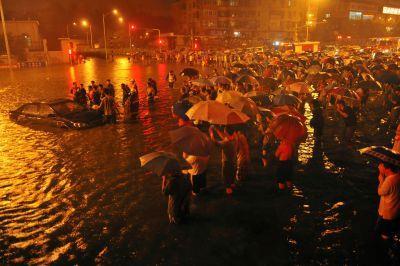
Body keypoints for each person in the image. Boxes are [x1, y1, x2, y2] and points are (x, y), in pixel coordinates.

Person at [375, 161, 400, 242]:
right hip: (395, 210)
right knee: (391, 228)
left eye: (382, 167)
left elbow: (380, 192)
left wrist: (381, 180)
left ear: (387, 169)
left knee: (384, 234)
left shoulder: (389, 181)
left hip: (387, 213)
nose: (379, 168)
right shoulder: (397, 175)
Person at [209, 125, 237, 195]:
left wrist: (211, 133)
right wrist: (216, 129)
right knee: (232, 172)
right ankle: (232, 184)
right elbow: (224, 137)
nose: (224, 132)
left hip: (227, 161)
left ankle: (228, 188)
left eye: (225, 131)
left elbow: (215, 143)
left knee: (226, 174)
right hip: (233, 160)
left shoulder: (226, 143)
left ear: (227, 133)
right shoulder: (234, 138)